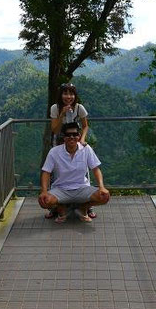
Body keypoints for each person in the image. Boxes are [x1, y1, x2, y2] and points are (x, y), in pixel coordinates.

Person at [38, 122, 110, 223]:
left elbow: (96, 168)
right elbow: (46, 172)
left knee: (105, 197)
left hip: (82, 187)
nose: (71, 137)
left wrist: (101, 186)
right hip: (60, 189)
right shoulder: (54, 152)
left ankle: (83, 208)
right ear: (64, 137)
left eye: (75, 134)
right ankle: (60, 208)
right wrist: (44, 191)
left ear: (79, 136)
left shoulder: (86, 149)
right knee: (43, 201)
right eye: (68, 135)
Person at [47, 82, 97, 219]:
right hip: (59, 142)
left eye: (71, 93)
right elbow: (55, 130)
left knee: (84, 169)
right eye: (65, 93)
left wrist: (82, 139)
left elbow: (85, 126)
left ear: (75, 95)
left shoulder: (79, 108)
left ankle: (88, 205)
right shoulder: (55, 108)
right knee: (54, 171)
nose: (68, 96)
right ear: (61, 95)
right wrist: (62, 113)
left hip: (76, 139)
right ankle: (55, 206)